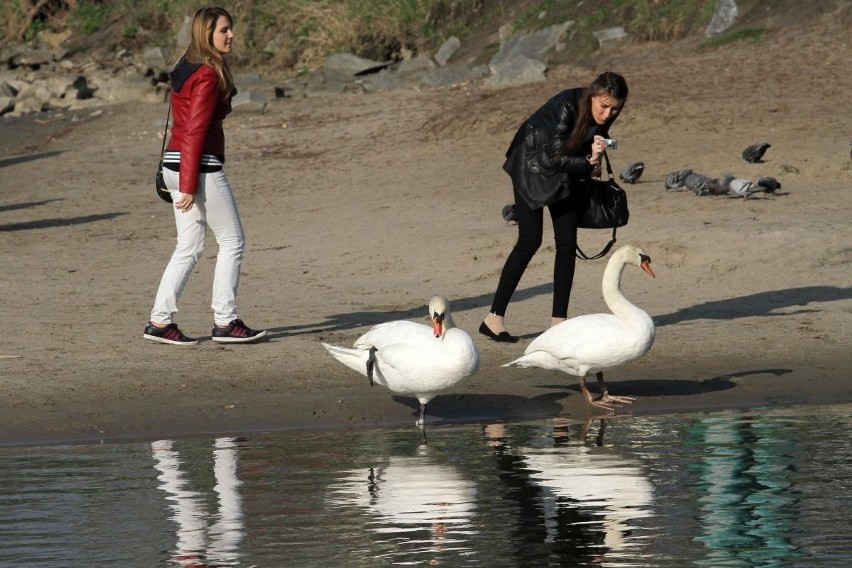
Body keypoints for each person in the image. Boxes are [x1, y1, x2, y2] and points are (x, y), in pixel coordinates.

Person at [144, 7, 266, 345]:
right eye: (224, 30)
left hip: (175, 163)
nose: (231, 35)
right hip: (197, 167)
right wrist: (187, 185)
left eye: (231, 29)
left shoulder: (187, 66)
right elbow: (196, 130)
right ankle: (226, 322)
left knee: (189, 245)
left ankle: (160, 321)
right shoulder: (209, 75)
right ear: (206, 34)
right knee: (232, 241)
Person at [480, 71, 629, 343]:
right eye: (603, 106)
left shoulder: (604, 115)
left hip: (565, 170)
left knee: (567, 244)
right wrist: (586, 162)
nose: (608, 114)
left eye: (615, 108)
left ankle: (558, 323)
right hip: (531, 164)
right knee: (529, 240)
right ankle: (494, 318)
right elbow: (553, 156)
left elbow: (599, 142)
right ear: (593, 96)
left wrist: (598, 154)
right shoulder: (567, 105)